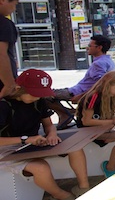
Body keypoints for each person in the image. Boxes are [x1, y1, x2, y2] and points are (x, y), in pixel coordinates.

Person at [0, 69, 90, 200]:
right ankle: (60, 195)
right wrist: (26, 140)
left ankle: (84, 188)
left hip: (32, 143)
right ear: (19, 88)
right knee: (41, 167)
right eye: (34, 94)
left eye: (41, 94)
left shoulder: (39, 101)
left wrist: (51, 134)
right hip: (6, 149)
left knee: (75, 148)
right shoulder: (3, 105)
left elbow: (48, 125)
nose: (38, 97)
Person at [46, 35, 115, 129]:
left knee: (43, 96)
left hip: (77, 92)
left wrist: (82, 96)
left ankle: (67, 113)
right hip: (80, 90)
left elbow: (100, 84)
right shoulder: (108, 61)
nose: (87, 48)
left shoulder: (98, 64)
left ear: (99, 48)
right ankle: (66, 113)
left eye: (90, 46)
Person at [0, 0, 20, 98]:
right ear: (3, 0)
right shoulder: (3, 24)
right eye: (14, 4)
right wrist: (8, 84)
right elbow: (1, 54)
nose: (14, 8)